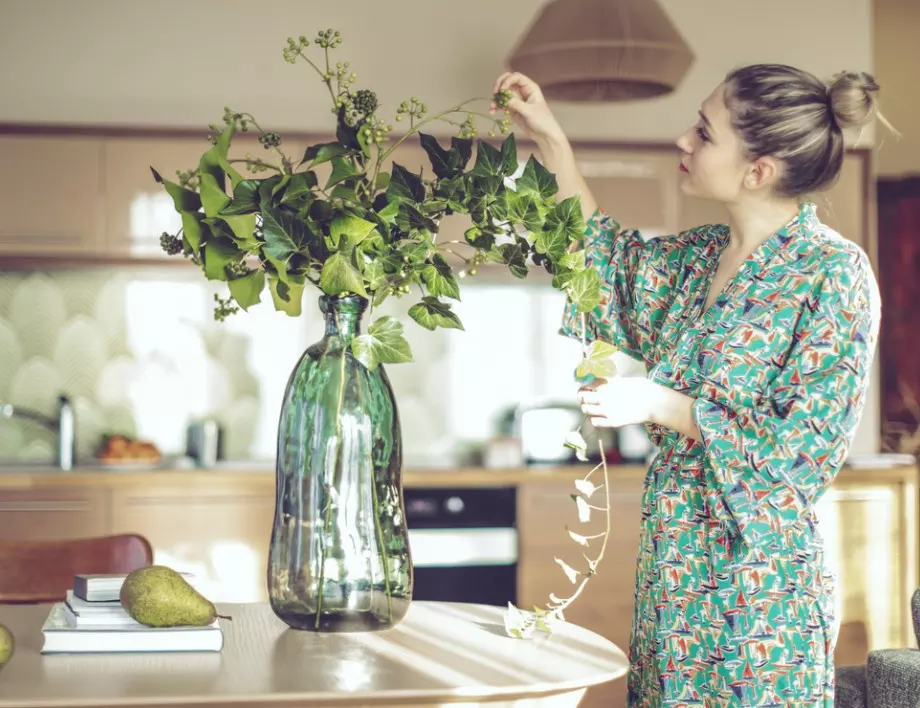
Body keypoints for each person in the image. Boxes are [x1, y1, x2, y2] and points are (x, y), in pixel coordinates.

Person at [492, 64, 883, 706]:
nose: (683, 140)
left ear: (757, 170)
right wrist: (550, 139)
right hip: (671, 584)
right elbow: (605, 262)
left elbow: (799, 458)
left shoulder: (833, 275)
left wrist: (655, 401)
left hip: (760, 597)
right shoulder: (697, 257)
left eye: (704, 132)